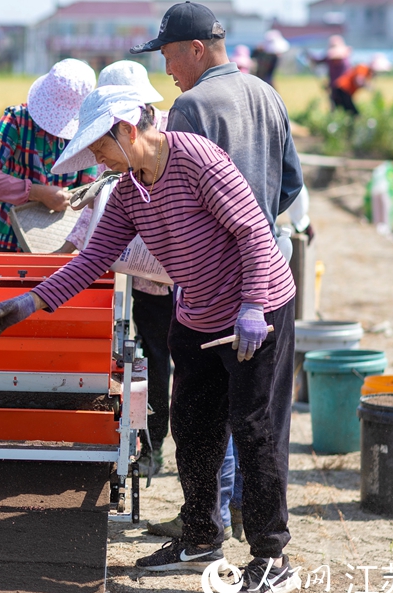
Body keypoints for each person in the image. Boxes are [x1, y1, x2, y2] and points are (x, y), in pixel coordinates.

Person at [0, 87, 299, 593]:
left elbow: (254, 232)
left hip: (252, 313)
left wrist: (255, 305)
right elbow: (92, 259)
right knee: (192, 427)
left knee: (254, 430)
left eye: (98, 145)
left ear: (126, 130)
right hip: (196, 314)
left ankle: (272, 559)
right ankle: (199, 536)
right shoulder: (128, 191)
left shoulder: (197, 159)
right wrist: (26, 305)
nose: (95, 159)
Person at [130, 0, 304, 545]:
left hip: (221, 289)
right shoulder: (267, 95)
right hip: (268, 276)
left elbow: (180, 197)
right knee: (259, 423)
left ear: (196, 50)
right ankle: (233, 524)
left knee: (206, 419)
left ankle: (230, 535)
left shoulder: (191, 108)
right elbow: (292, 184)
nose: (167, 69)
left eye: (168, 55)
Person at [57, 59, 174, 480]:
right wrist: (55, 265)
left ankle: (160, 445)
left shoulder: (171, 145)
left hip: (182, 282)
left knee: (167, 361)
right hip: (148, 282)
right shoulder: (120, 163)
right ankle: (152, 444)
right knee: (152, 359)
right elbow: (99, 223)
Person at [0, 58, 99, 252]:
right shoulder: (17, 119)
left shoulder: (87, 129)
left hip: (64, 239)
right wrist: (36, 192)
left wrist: (68, 199)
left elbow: (89, 187)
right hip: (13, 238)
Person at [308, 35, 352, 112]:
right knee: (334, 109)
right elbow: (318, 61)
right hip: (334, 88)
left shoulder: (344, 60)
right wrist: (311, 58)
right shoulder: (329, 59)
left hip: (344, 88)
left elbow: (346, 75)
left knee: (347, 108)